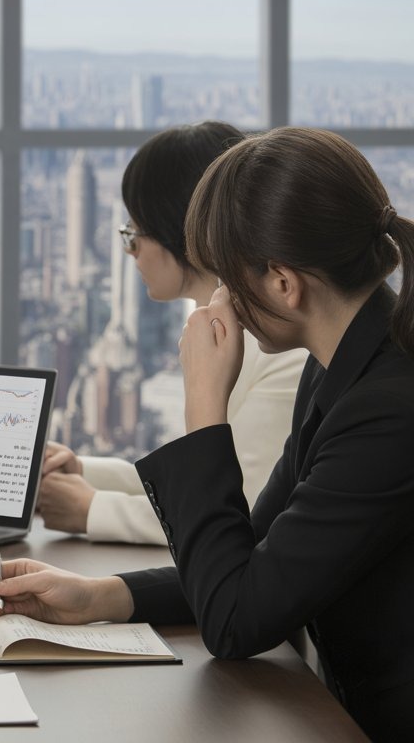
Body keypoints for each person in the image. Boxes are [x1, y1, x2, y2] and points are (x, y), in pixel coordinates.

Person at [0, 127, 414, 741]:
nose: (220, 301)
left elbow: (236, 620)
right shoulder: (341, 365)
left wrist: (204, 404)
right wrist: (99, 596)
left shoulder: (386, 409)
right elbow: (254, 556)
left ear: (283, 284)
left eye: (228, 281)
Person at [37, 122, 306, 544]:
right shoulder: (218, 330)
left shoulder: (282, 352)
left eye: (134, 232)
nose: (131, 251)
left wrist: (91, 510)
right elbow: (201, 479)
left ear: (181, 229)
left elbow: (241, 506)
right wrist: (86, 473)